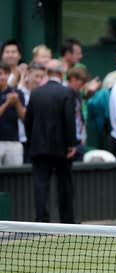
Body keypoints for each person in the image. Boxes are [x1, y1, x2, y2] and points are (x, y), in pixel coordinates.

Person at [24, 59, 77, 223]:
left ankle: (42, 220)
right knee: (65, 185)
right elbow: (69, 120)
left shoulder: (36, 93)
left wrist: (33, 140)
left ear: (48, 74)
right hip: (61, 149)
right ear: (62, 74)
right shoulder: (66, 92)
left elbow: (28, 121)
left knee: (40, 185)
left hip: (39, 147)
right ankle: (67, 221)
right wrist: (71, 144)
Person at [0, 61, 26, 166]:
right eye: (0, 73)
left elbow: (24, 118)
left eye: (6, 74)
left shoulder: (17, 93)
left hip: (13, 142)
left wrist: (17, 103)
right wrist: (7, 103)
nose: (3, 77)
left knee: (14, 178)